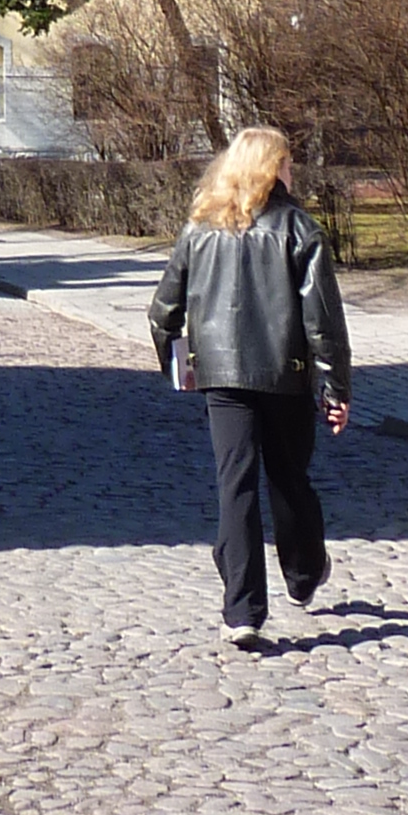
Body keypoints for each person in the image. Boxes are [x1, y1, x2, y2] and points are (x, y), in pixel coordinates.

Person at [147, 123, 352, 651]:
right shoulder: (298, 229)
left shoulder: (200, 230)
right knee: (289, 479)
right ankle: (304, 574)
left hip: (221, 377)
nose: (291, 171)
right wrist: (335, 389)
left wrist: (178, 366)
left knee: (234, 486)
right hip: (286, 374)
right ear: (271, 169)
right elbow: (323, 321)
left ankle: (242, 610)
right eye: (286, 162)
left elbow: (163, 310)